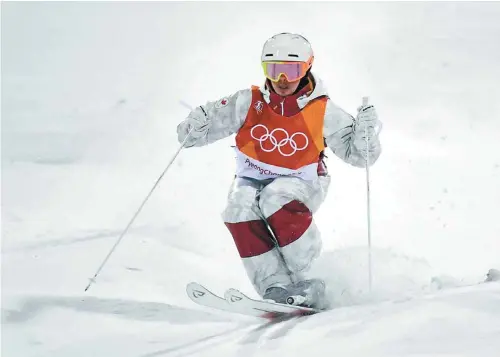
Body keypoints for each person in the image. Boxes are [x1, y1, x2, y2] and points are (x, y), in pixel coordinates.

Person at [177, 32, 382, 308]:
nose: (282, 80)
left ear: (307, 67)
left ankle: (312, 277)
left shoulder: (322, 110)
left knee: (276, 197)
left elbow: (359, 156)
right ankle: (277, 286)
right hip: (251, 177)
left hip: (303, 178)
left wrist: (364, 134)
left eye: (291, 70)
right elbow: (194, 135)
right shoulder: (248, 102)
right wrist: (196, 124)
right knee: (238, 209)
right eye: (274, 70)